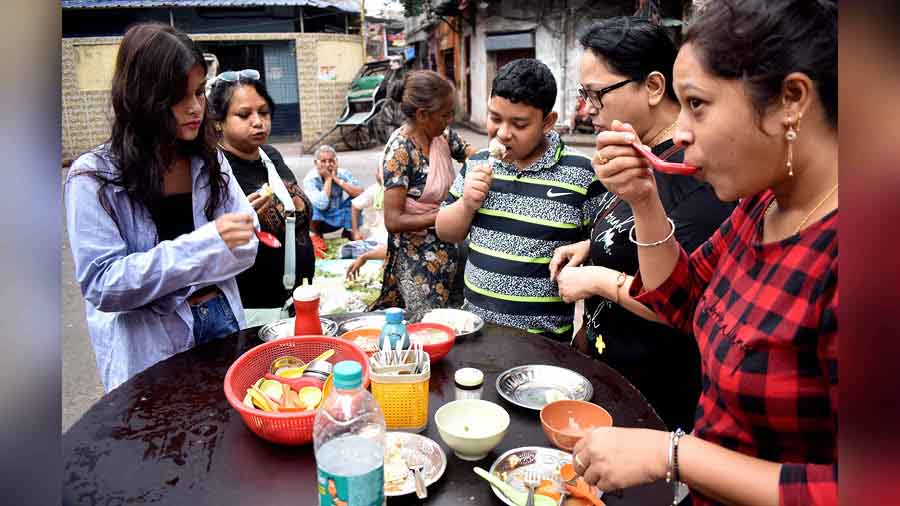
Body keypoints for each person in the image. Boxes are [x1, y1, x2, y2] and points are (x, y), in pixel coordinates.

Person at [571, 2, 837, 506]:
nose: (682, 130)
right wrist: (644, 200)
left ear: (791, 100)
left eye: (696, 104)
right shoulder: (760, 206)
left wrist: (671, 455)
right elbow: (682, 300)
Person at [548, 17, 734, 433]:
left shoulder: (693, 174)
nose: (588, 109)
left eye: (597, 95)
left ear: (653, 87)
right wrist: (590, 246)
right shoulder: (642, 152)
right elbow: (635, 233)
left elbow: (684, 298)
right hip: (610, 371)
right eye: (585, 95)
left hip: (654, 396)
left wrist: (596, 279)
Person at [64, 23, 258, 392]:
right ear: (143, 97)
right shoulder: (93, 178)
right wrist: (206, 244)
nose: (195, 107)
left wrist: (173, 272)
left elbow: (245, 246)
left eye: (200, 92)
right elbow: (104, 283)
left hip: (220, 320)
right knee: (161, 441)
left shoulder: (209, 159)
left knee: (229, 438)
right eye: (177, 96)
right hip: (150, 346)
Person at [436, 59, 605, 341]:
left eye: (519, 124)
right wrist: (466, 204)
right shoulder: (478, 163)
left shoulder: (582, 174)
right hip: (476, 331)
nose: (503, 132)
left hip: (545, 341)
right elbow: (445, 230)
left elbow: (599, 251)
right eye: (495, 118)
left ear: (548, 123)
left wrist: (586, 331)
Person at [208, 68, 315, 323]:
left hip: (297, 302)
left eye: (264, 112)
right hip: (253, 312)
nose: (258, 122)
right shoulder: (214, 170)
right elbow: (206, 244)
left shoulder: (271, 156)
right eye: (244, 115)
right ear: (218, 121)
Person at [370, 70, 478, 315]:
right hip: (417, 262)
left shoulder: (442, 136)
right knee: (428, 326)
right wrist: (446, 214)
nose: (450, 119)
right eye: (445, 114)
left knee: (456, 320)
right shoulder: (401, 151)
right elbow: (393, 220)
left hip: (451, 250)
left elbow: (473, 155)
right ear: (422, 115)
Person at [303, 145, 363, 244]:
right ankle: (318, 235)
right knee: (311, 207)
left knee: (357, 200)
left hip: (338, 216)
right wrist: (328, 179)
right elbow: (322, 205)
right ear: (316, 163)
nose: (328, 165)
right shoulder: (310, 179)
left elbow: (360, 193)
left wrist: (337, 180)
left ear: (336, 162)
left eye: (331, 161)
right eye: (323, 161)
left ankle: (350, 232)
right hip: (322, 220)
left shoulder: (343, 173)